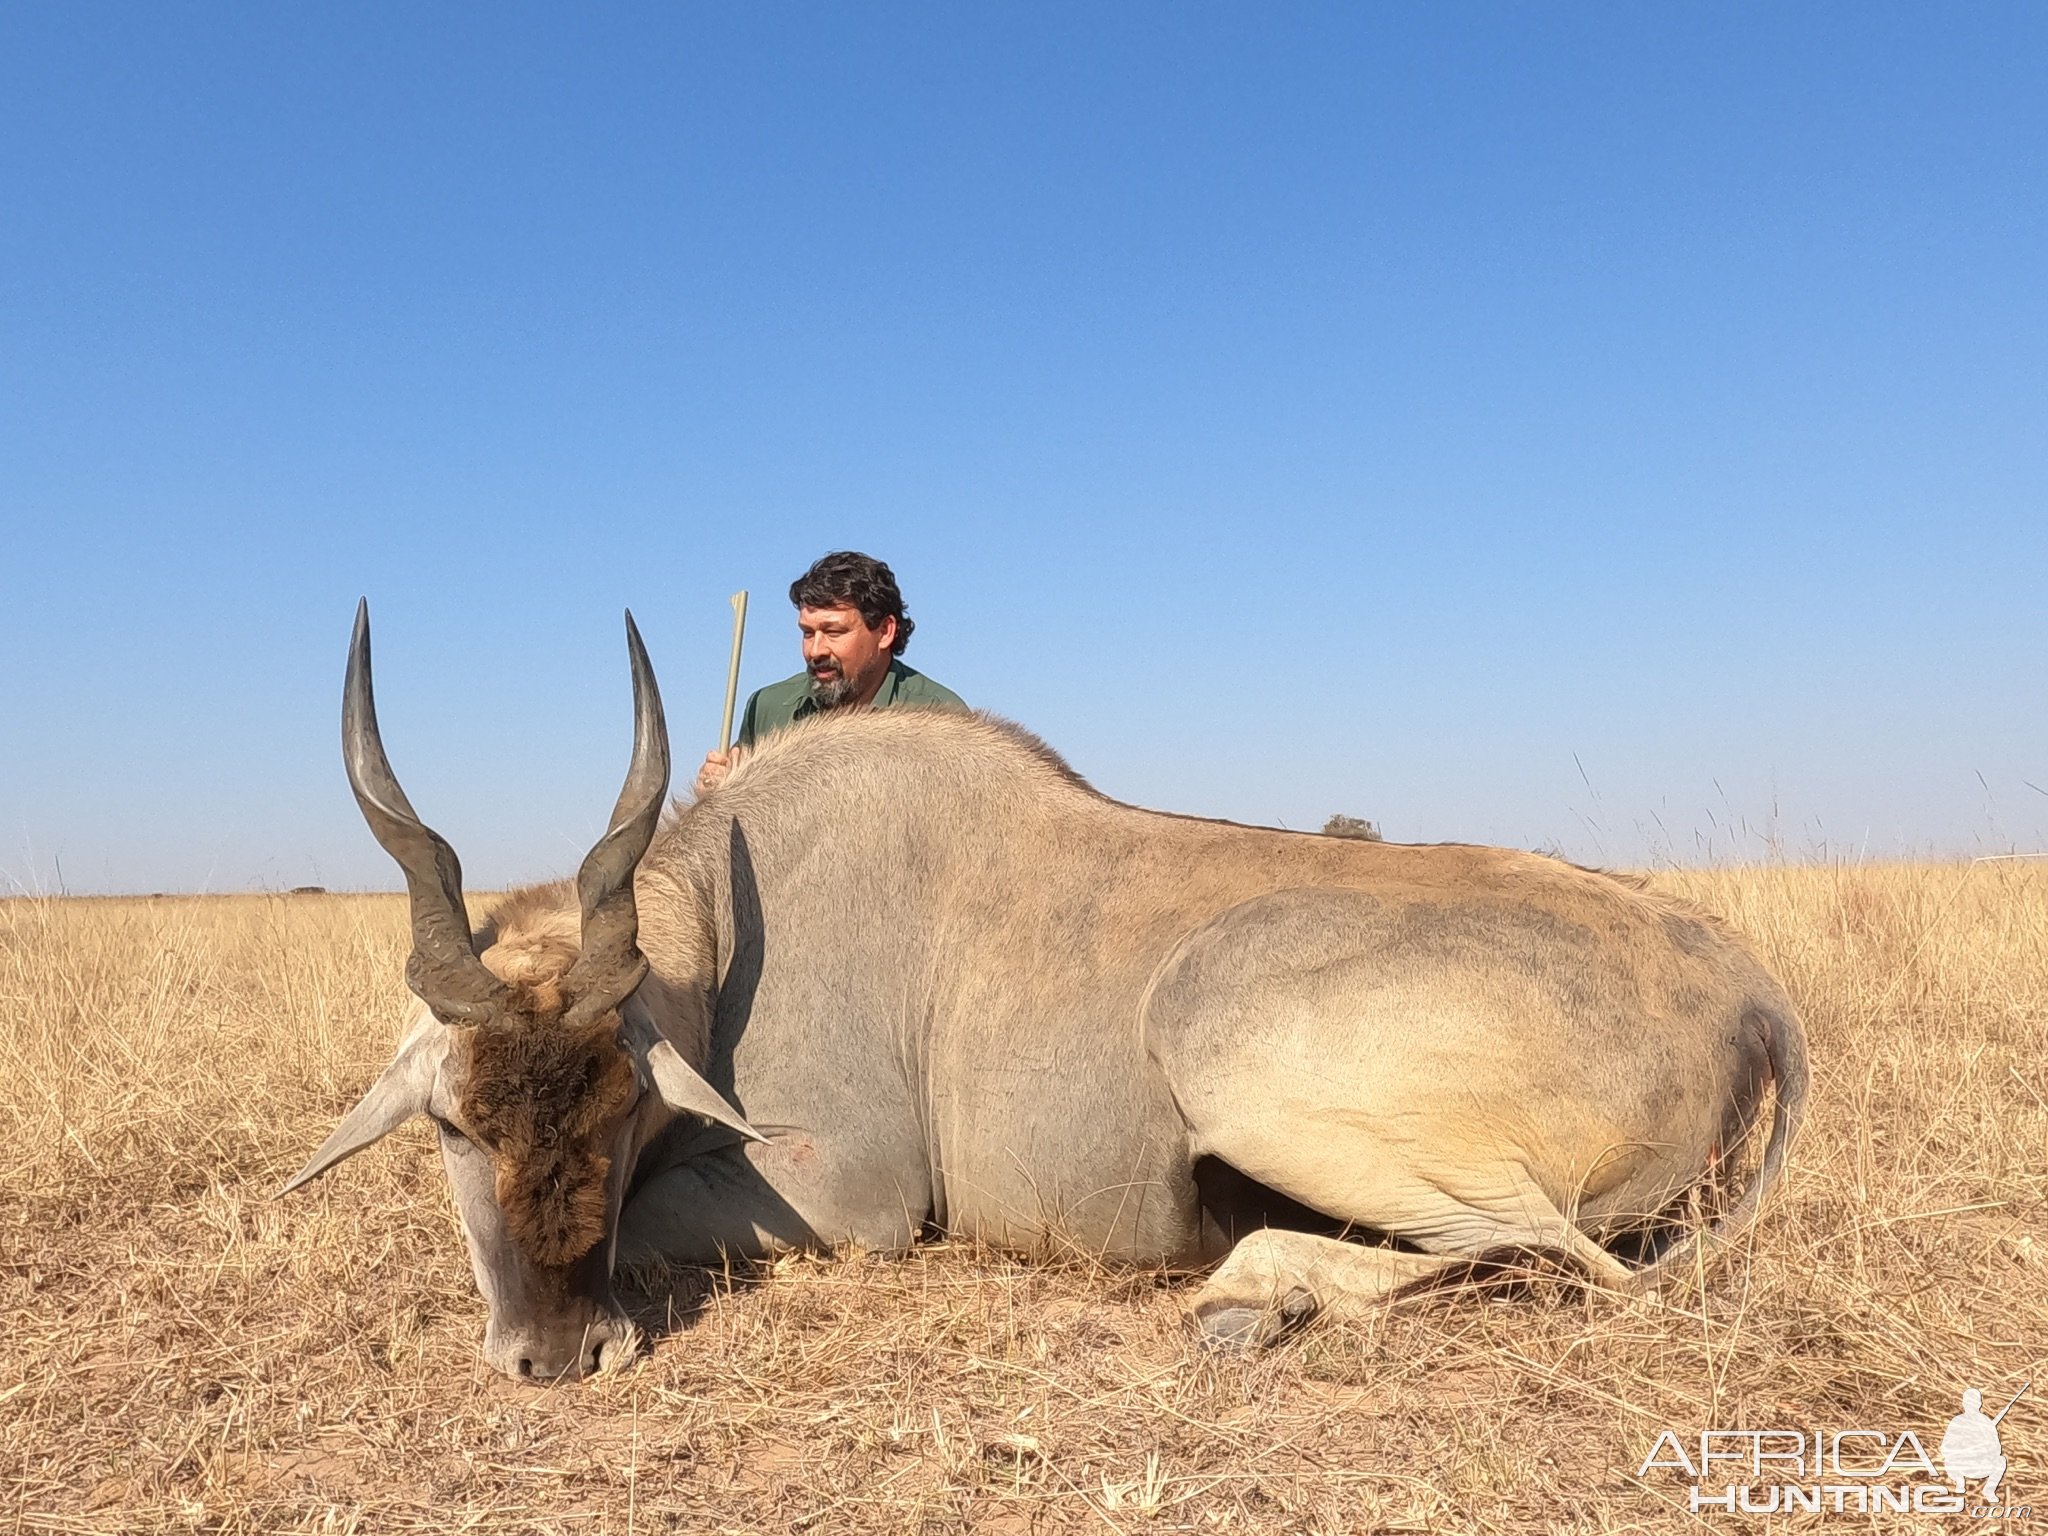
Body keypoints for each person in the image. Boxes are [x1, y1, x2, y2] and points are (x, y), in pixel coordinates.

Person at [694, 551, 965, 797]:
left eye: (834, 632)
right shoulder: (767, 708)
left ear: (884, 632)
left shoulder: (944, 719)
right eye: (807, 633)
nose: (815, 651)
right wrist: (715, 795)